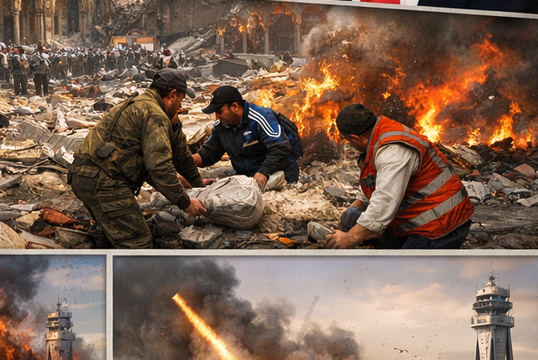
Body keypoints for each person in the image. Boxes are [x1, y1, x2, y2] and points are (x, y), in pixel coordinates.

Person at [69, 68, 207, 248]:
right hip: (104, 182)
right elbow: (158, 166)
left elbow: (180, 157)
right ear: (173, 94)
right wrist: (185, 202)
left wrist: (198, 186)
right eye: (181, 98)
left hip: (86, 176)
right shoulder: (154, 114)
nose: (181, 105)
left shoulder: (140, 104)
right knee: (138, 243)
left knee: (118, 233)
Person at [324, 103, 473, 249]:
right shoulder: (379, 132)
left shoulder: (392, 151)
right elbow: (378, 181)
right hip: (423, 215)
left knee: (401, 272)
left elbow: (385, 199)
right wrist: (350, 216)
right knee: (355, 218)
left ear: (355, 138)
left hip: (440, 223)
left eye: (349, 141)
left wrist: (349, 238)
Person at [192, 85, 300, 191]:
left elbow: (280, 147)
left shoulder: (260, 117)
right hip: (247, 178)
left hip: (275, 174)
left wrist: (263, 172)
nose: (217, 117)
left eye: (219, 112)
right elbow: (210, 152)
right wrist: (190, 160)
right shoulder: (221, 126)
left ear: (235, 106)